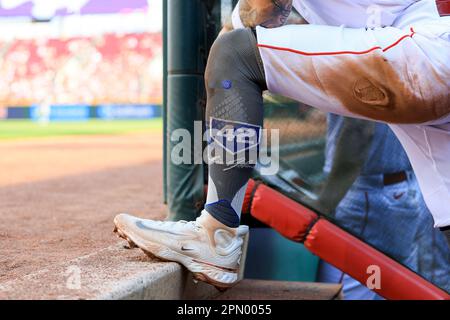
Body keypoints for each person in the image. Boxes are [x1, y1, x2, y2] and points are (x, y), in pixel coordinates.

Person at [114, 0, 450, 289]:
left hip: (425, 51)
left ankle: (217, 234)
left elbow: (259, 16)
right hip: (429, 48)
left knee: (235, 55)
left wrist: (223, 56)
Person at [315, 115, 450, 299]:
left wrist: (324, 204)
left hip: (366, 192)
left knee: (351, 288)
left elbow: (359, 128)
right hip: (407, 186)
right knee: (393, 285)